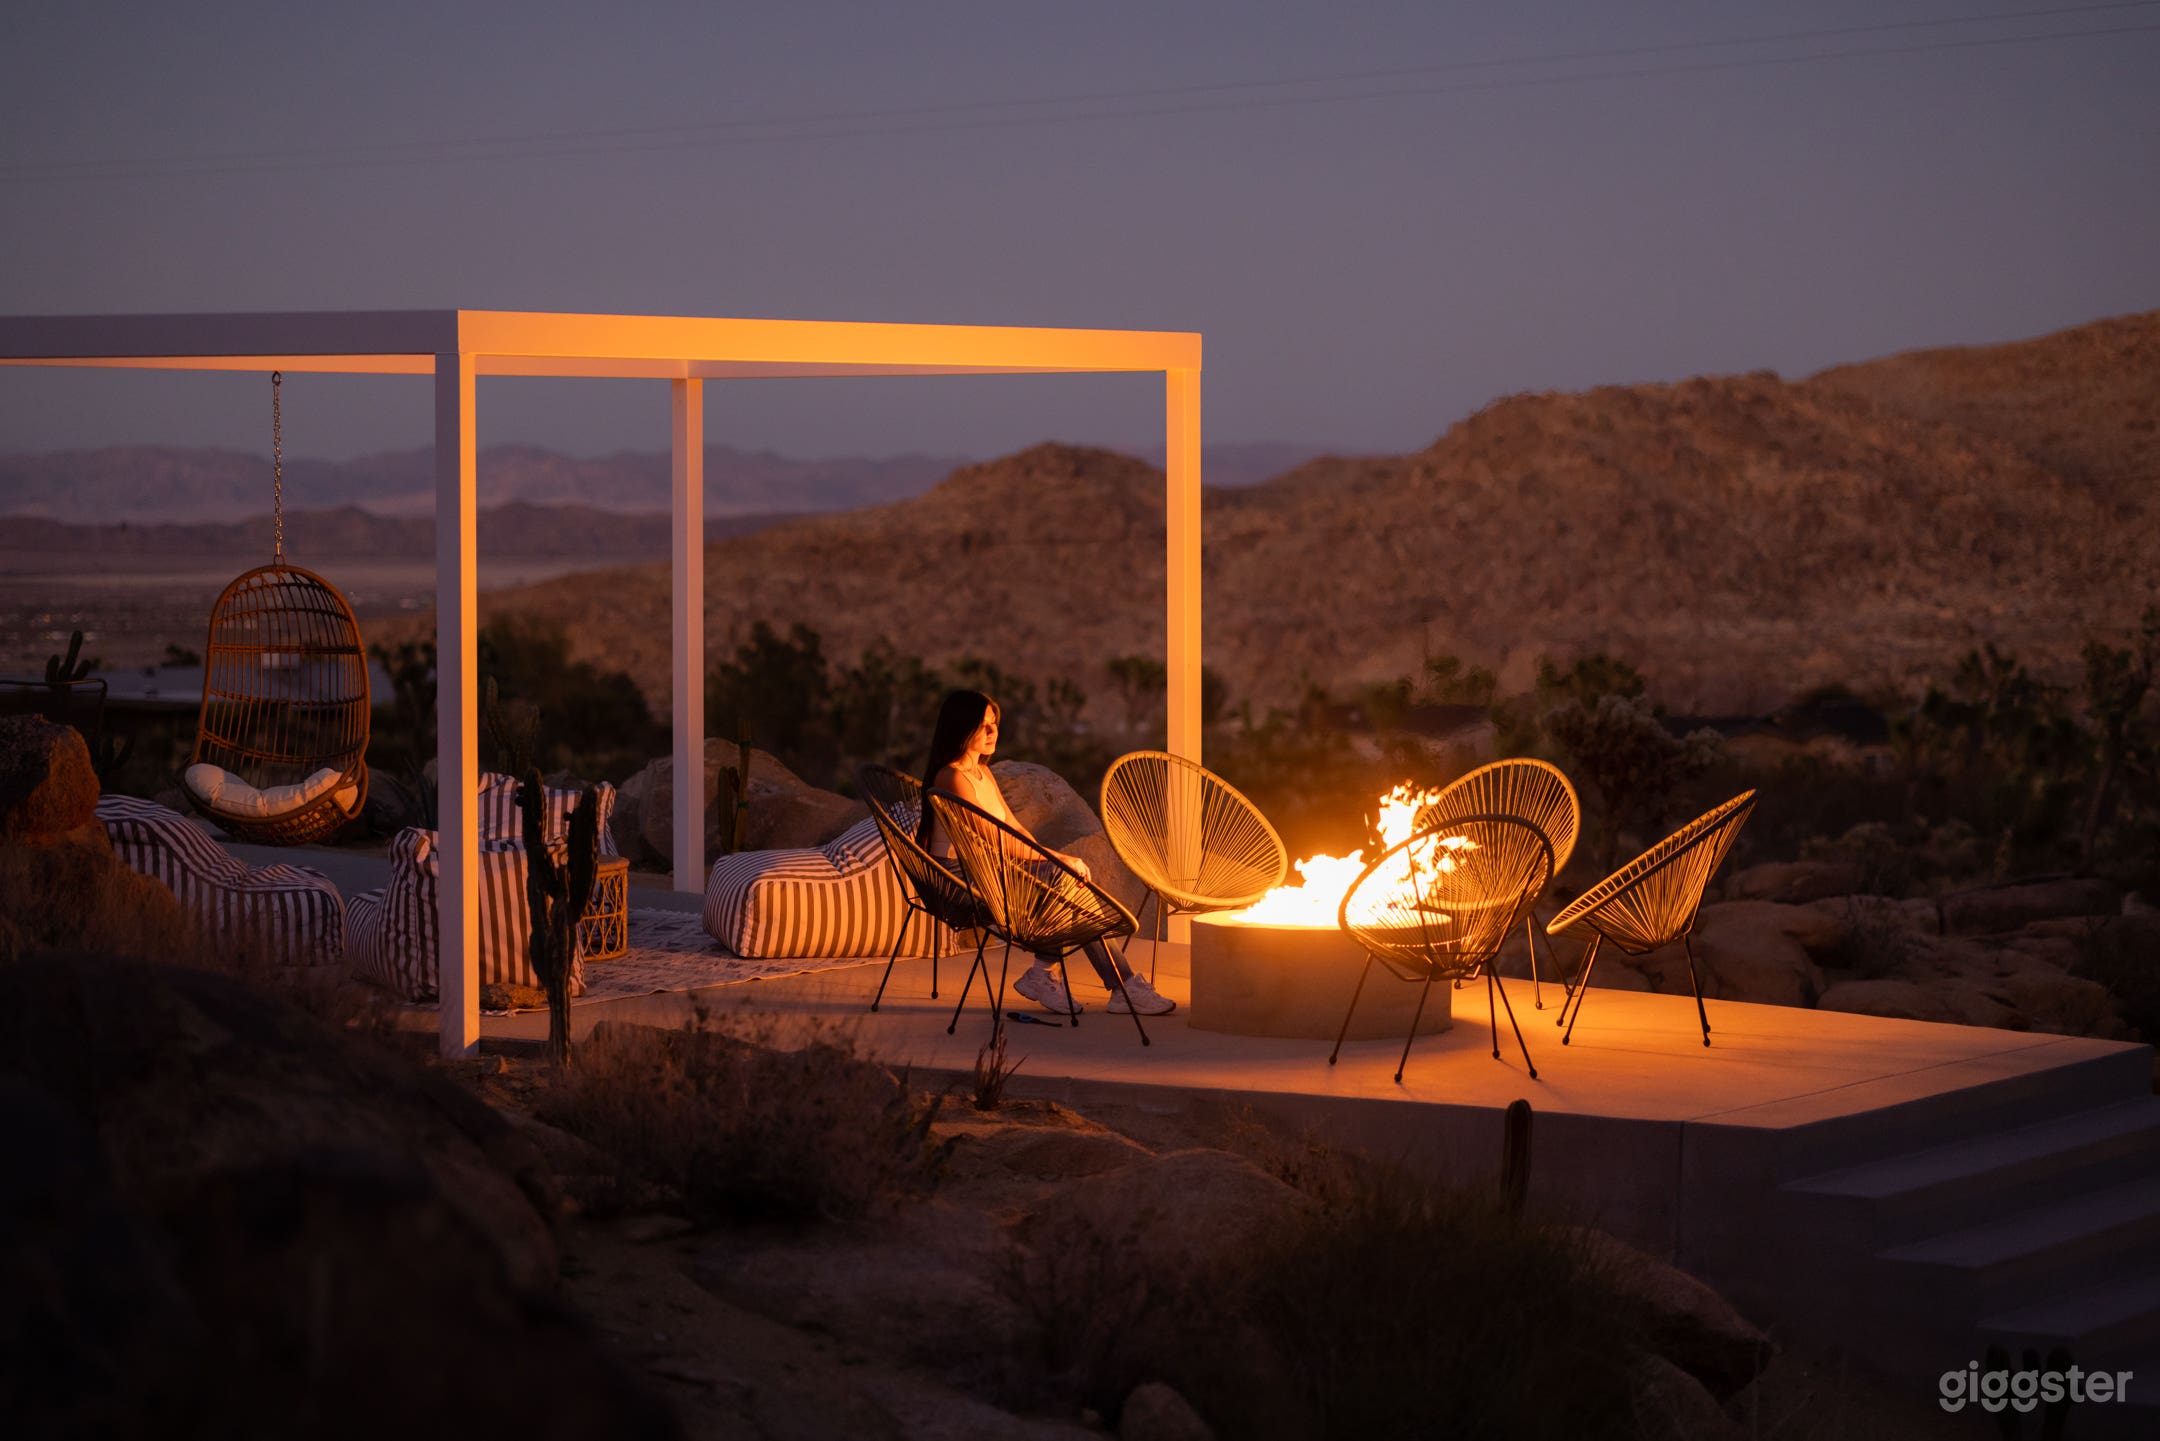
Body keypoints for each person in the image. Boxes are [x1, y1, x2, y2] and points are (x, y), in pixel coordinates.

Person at [917, 689, 1175, 1017]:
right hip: (958, 878)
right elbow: (994, 838)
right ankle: (1102, 983)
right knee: (1066, 880)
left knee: (1071, 887)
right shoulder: (952, 776)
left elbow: (1013, 828)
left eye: (994, 723)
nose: (993, 732)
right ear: (961, 728)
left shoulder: (982, 773)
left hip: (988, 869)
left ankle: (1072, 978)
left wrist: (1051, 857)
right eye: (983, 726)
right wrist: (1056, 861)